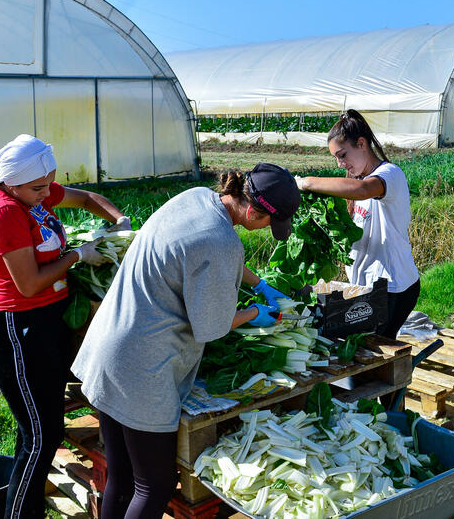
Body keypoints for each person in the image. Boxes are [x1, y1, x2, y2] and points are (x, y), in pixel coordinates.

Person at [70, 164, 300, 519]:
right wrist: (255, 314)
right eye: (270, 222)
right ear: (253, 211)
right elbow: (212, 326)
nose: (268, 229)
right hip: (141, 368)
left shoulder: (195, 198)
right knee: (155, 485)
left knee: (123, 477)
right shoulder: (222, 241)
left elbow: (196, 255)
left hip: (108, 349)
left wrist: (257, 283)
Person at [0, 134, 129, 519]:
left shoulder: (33, 191)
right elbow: (28, 284)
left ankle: (24, 502)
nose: (47, 193)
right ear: (10, 184)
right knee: (43, 437)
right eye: (38, 188)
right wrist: (78, 254)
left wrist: (119, 222)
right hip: (17, 331)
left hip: (46, 324)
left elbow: (88, 199)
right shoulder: (5, 212)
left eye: (49, 184)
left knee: (35, 428)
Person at [296, 110, 421, 339]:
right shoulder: (357, 181)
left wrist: (306, 183)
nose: (341, 164)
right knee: (364, 354)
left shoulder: (389, 174)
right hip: (367, 288)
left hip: (394, 287)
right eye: (336, 158)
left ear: (361, 143)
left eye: (343, 155)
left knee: (374, 354)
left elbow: (363, 192)